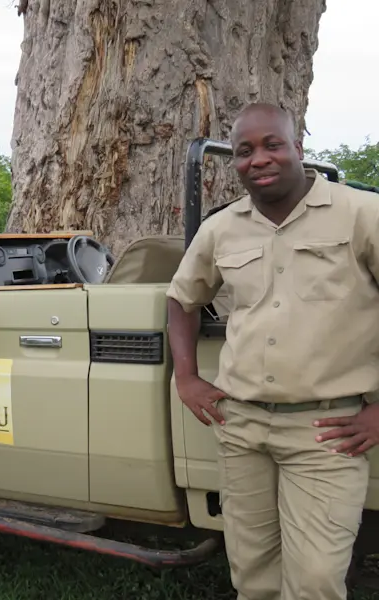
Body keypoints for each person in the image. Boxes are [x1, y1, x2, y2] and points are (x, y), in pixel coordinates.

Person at [166, 102, 379, 600]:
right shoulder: (222, 227)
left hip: (326, 431)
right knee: (253, 575)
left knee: (316, 582)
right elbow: (181, 298)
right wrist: (186, 377)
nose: (258, 158)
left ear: (298, 148)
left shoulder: (361, 214)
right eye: (244, 151)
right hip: (240, 426)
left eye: (272, 145)